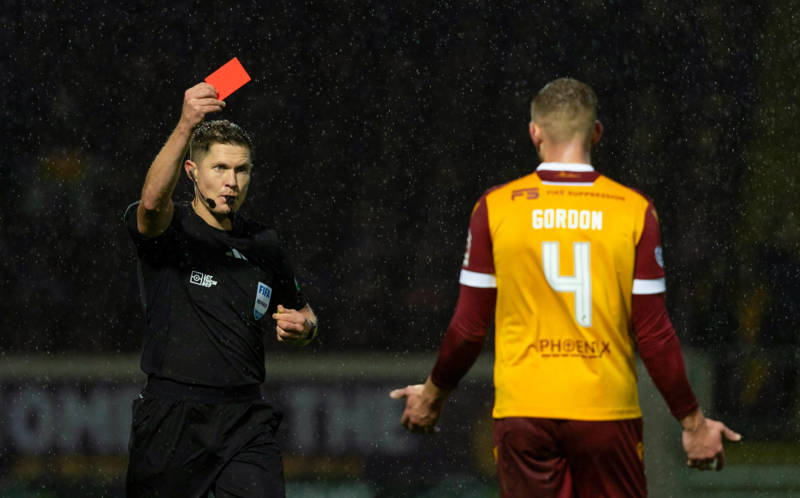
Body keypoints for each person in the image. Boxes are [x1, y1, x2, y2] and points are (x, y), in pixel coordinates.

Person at [390, 77, 740, 497]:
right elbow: (653, 332)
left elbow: (468, 328)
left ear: (534, 132)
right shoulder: (634, 210)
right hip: (605, 412)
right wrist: (692, 423)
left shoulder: (495, 208)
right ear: (596, 133)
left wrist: (433, 394)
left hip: (525, 411)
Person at [123, 82, 318, 497]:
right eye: (220, 168)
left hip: (245, 419)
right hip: (172, 416)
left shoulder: (264, 243)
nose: (232, 181)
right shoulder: (170, 231)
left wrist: (305, 328)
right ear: (192, 172)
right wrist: (185, 125)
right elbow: (151, 205)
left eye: (241, 170)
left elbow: (305, 314)